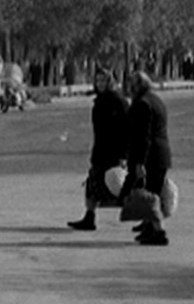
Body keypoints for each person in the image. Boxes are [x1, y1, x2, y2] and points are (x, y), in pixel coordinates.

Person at [67, 68, 129, 231]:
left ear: (110, 81)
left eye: (104, 80)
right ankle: (89, 217)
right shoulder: (99, 101)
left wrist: (124, 155)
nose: (100, 84)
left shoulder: (118, 101)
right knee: (92, 185)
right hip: (101, 151)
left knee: (120, 188)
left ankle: (148, 218)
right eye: (98, 80)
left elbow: (126, 129)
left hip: (114, 152)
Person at [125, 70, 173, 245]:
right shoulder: (156, 100)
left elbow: (143, 137)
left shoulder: (143, 104)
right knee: (152, 193)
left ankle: (159, 232)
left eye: (131, 85)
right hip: (161, 154)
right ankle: (149, 228)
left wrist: (140, 163)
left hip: (151, 156)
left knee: (150, 196)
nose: (129, 88)